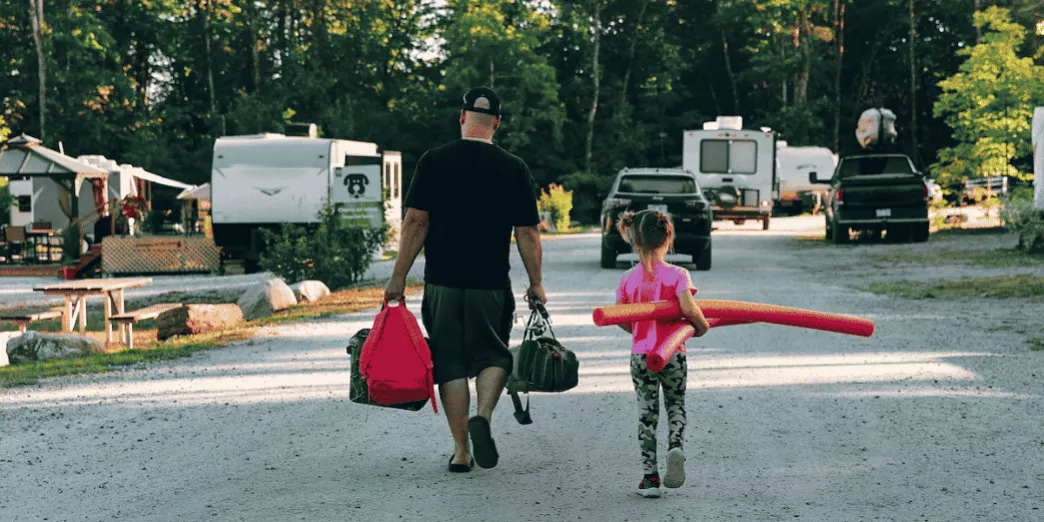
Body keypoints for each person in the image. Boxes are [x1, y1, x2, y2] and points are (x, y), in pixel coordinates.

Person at [384, 86, 546, 473]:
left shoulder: (434, 161)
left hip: (442, 283)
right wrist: (536, 282)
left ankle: (461, 451)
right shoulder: (514, 167)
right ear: (497, 124)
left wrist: (397, 278)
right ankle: (484, 417)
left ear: (462, 118)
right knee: (493, 355)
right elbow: (528, 233)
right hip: (490, 283)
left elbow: (415, 222)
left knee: (450, 362)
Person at [614, 210, 710, 498]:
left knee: (646, 412)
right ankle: (675, 446)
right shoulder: (678, 274)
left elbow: (620, 317)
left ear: (634, 239)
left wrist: (639, 332)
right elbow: (689, 308)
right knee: (676, 403)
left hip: (641, 355)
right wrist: (702, 327)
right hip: (673, 353)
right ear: (667, 237)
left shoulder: (628, 279)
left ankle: (650, 478)